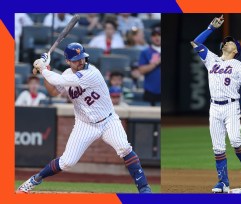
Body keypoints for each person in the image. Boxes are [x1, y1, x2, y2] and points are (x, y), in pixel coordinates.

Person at [16, 43, 152, 194]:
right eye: (76, 59)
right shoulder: (67, 74)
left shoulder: (92, 73)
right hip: (84, 124)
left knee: (124, 148)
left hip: (108, 121)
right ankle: (35, 179)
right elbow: (54, 91)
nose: (80, 62)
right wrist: (46, 70)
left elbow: (60, 81)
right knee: (67, 163)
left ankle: (144, 188)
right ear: (68, 61)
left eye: (82, 58)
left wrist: (43, 69)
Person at [190, 15, 241, 193]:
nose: (228, 43)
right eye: (226, 41)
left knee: (235, 140)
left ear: (236, 50)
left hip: (231, 107)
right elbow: (195, 42)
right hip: (214, 107)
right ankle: (223, 182)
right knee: (218, 147)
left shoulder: (239, 66)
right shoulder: (211, 59)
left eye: (231, 42)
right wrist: (211, 28)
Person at [138, 26, 161, 106]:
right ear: (151, 38)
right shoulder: (145, 52)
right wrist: (156, 63)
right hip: (150, 90)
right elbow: (141, 70)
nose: (157, 38)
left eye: (159, 35)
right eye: (154, 35)